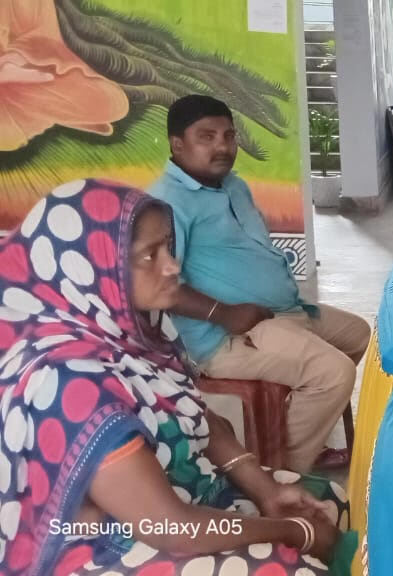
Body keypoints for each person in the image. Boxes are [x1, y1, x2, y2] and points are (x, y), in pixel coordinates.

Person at [0, 180, 350, 576]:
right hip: (114, 545)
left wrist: (266, 490)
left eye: (168, 246)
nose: (172, 266)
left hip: (183, 502)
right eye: (150, 255)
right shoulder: (67, 381)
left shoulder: (137, 331)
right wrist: (295, 532)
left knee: (329, 500)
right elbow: (171, 528)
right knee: (296, 565)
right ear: (90, 266)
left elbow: (195, 415)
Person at [149, 94, 369, 473]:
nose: (222, 146)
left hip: (279, 312)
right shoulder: (166, 203)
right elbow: (159, 286)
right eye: (207, 137)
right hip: (223, 337)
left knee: (359, 334)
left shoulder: (233, 186)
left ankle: (301, 431)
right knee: (334, 374)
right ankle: (285, 475)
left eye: (228, 135)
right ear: (177, 144)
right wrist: (224, 313)